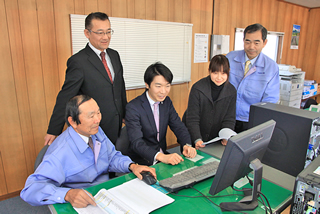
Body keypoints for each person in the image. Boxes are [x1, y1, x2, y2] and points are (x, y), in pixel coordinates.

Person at [21, 95, 155, 207]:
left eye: (98, 112)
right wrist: (67, 194)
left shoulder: (96, 131)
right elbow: (30, 189)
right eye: (91, 116)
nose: (98, 120)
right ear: (73, 122)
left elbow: (112, 157)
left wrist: (132, 166)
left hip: (106, 193)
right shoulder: (59, 152)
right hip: (83, 202)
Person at [44, 12, 126, 145]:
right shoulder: (78, 61)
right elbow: (66, 97)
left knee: (115, 159)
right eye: (100, 33)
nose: (106, 37)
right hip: (94, 126)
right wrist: (53, 130)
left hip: (115, 123)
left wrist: (125, 114)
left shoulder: (114, 55)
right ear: (87, 33)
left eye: (108, 32)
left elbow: (120, 87)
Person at [125, 62, 197, 166]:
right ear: (147, 84)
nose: (163, 91)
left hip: (163, 157)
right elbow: (137, 143)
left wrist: (186, 145)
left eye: (167, 86)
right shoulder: (134, 107)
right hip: (142, 161)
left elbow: (179, 126)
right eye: (158, 86)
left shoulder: (166, 102)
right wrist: (161, 157)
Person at [227, 23, 280, 133]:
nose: (251, 47)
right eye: (248, 41)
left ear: (264, 43)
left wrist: (259, 121)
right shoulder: (230, 58)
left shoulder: (271, 67)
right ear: (243, 41)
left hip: (251, 120)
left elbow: (270, 99)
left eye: (256, 43)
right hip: (227, 117)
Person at [183, 54, 236, 149]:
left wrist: (226, 137)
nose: (219, 77)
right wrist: (197, 139)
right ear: (209, 71)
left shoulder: (231, 91)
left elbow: (229, 118)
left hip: (215, 138)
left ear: (229, 72)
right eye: (215, 73)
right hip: (194, 135)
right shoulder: (198, 88)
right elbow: (192, 118)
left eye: (223, 73)